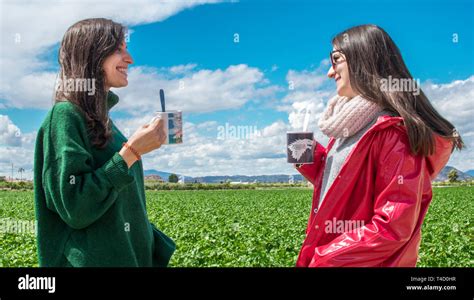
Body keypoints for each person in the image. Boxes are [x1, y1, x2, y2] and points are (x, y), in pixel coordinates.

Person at [295, 24, 463, 267]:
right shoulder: (354, 123)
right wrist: (300, 147)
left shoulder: (393, 134)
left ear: (363, 59)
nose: (330, 73)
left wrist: (323, 258)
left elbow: (391, 228)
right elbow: (343, 180)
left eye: (335, 60)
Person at [33, 18, 175, 267]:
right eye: (118, 49)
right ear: (92, 55)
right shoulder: (65, 116)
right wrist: (131, 151)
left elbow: (119, 205)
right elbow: (75, 207)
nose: (130, 58)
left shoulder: (105, 122)